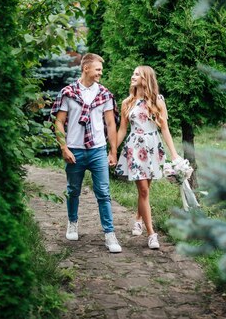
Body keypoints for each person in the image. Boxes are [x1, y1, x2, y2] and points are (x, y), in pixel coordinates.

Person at [51, 53, 122, 253]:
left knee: (104, 193)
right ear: (86, 69)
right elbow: (58, 121)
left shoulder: (105, 95)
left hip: (98, 150)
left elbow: (110, 124)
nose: (101, 73)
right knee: (73, 190)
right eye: (98, 69)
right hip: (75, 150)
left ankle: (109, 234)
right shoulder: (68, 93)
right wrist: (64, 148)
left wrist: (113, 151)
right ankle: (72, 222)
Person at [115, 66, 180, 249]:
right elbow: (122, 129)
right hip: (135, 148)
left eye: (137, 74)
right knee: (143, 190)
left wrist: (174, 155)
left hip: (153, 147)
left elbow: (164, 128)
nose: (132, 76)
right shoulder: (127, 102)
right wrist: (112, 151)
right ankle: (152, 234)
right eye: (133, 73)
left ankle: (138, 218)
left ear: (146, 79)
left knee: (146, 190)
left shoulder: (157, 101)